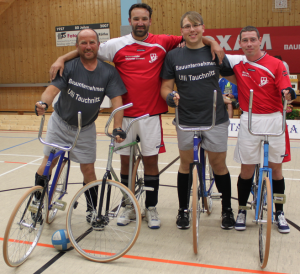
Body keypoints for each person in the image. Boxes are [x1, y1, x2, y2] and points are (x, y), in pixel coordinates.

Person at [48, 3, 224, 229]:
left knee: (151, 162)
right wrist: (62, 57)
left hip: (150, 116)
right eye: (136, 19)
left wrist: (213, 42)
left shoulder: (163, 42)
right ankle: (128, 205)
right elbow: (86, 49)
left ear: (150, 21)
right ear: (129, 21)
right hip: (125, 117)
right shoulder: (116, 45)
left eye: (144, 19)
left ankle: (151, 207)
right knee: (126, 164)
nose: (140, 23)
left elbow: (193, 37)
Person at [34, 29, 127, 224]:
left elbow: (117, 101)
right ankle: (36, 203)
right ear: (77, 46)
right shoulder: (69, 66)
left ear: (98, 45)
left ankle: (93, 212)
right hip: (60, 123)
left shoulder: (108, 72)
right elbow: (51, 90)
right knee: (48, 163)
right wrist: (43, 104)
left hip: (85, 128)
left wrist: (117, 127)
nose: (88, 46)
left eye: (92, 42)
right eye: (83, 43)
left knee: (88, 170)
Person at [160, 11, 237, 230]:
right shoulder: (174, 56)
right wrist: (169, 96)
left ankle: (227, 211)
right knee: (186, 165)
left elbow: (236, 78)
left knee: (218, 165)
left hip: (215, 118)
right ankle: (182, 210)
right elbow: (165, 86)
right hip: (186, 118)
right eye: (187, 26)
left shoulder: (215, 52)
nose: (192, 30)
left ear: (203, 28)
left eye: (196, 25)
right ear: (182, 31)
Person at [224, 26, 296, 233]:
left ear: (260, 40)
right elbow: (213, 52)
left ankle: (279, 212)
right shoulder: (238, 62)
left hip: (274, 120)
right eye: (244, 40)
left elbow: (284, 84)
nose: (248, 44)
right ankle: (242, 210)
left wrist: (288, 93)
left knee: (276, 170)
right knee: (246, 170)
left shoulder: (276, 63)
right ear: (240, 43)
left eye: (252, 40)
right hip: (249, 120)